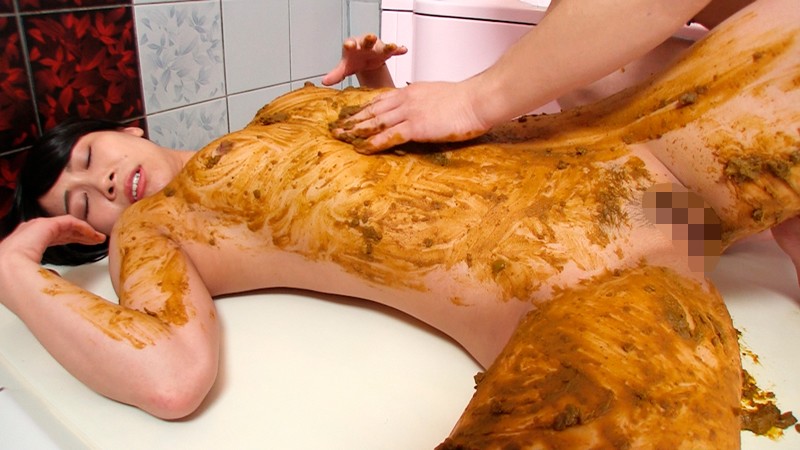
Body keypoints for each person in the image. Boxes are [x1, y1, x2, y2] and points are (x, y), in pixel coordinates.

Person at [0, 0, 797, 446]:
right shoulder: (157, 226)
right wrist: (13, 272)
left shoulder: (283, 111)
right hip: (598, 290)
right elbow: (170, 376)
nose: (101, 183)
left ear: (128, 130)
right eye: (81, 204)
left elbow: (396, 169)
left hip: (646, 163)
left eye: (90, 157)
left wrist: (376, 86)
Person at [323, 0, 756, 154]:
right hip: (659, 209)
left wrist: (472, 100)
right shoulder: (570, 28)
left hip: (690, 216)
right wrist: (378, 84)